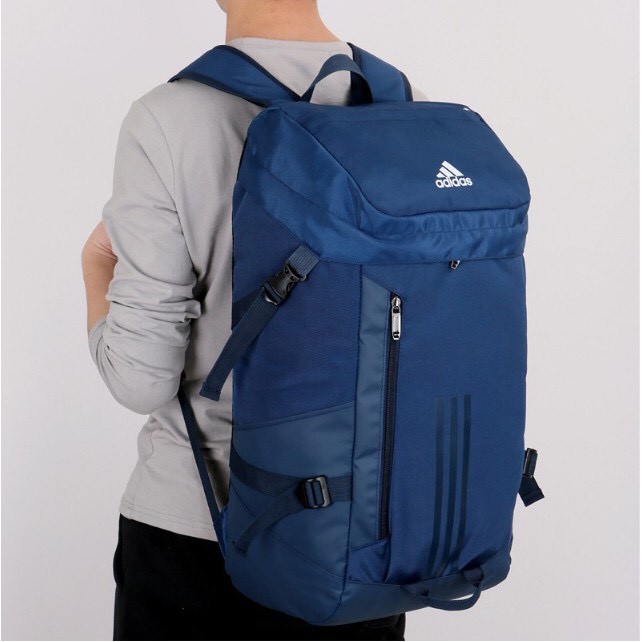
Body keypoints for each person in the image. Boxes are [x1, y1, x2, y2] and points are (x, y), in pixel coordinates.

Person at [82, 1, 426, 639]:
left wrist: (95, 268)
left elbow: (141, 380)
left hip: (203, 532)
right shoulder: (406, 106)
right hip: (368, 535)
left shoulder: (170, 117)